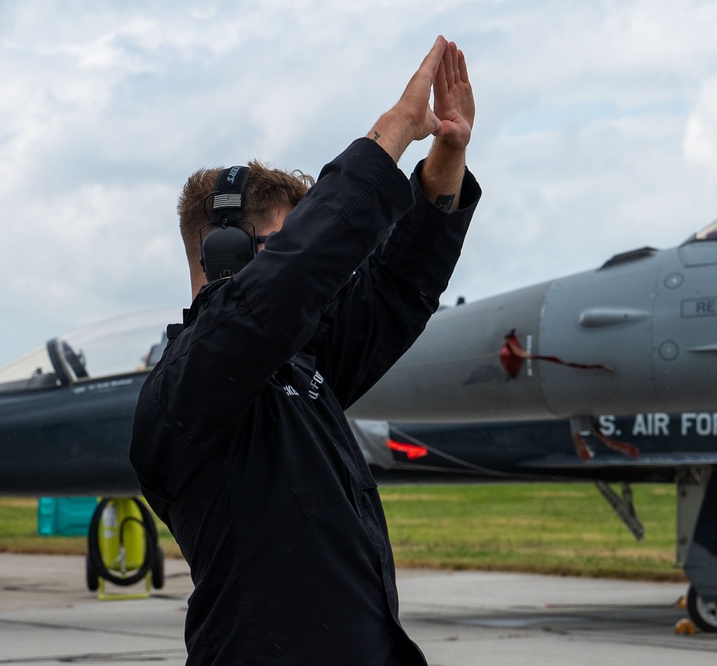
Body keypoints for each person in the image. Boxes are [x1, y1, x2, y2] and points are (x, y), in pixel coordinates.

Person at [129, 35, 480, 665]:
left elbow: (397, 286)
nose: (320, 270)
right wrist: (390, 136)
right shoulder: (189, 388)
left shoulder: (299, 369)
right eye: (291, 246)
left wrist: (445, 157)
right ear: (228, 257)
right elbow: (285, 286)